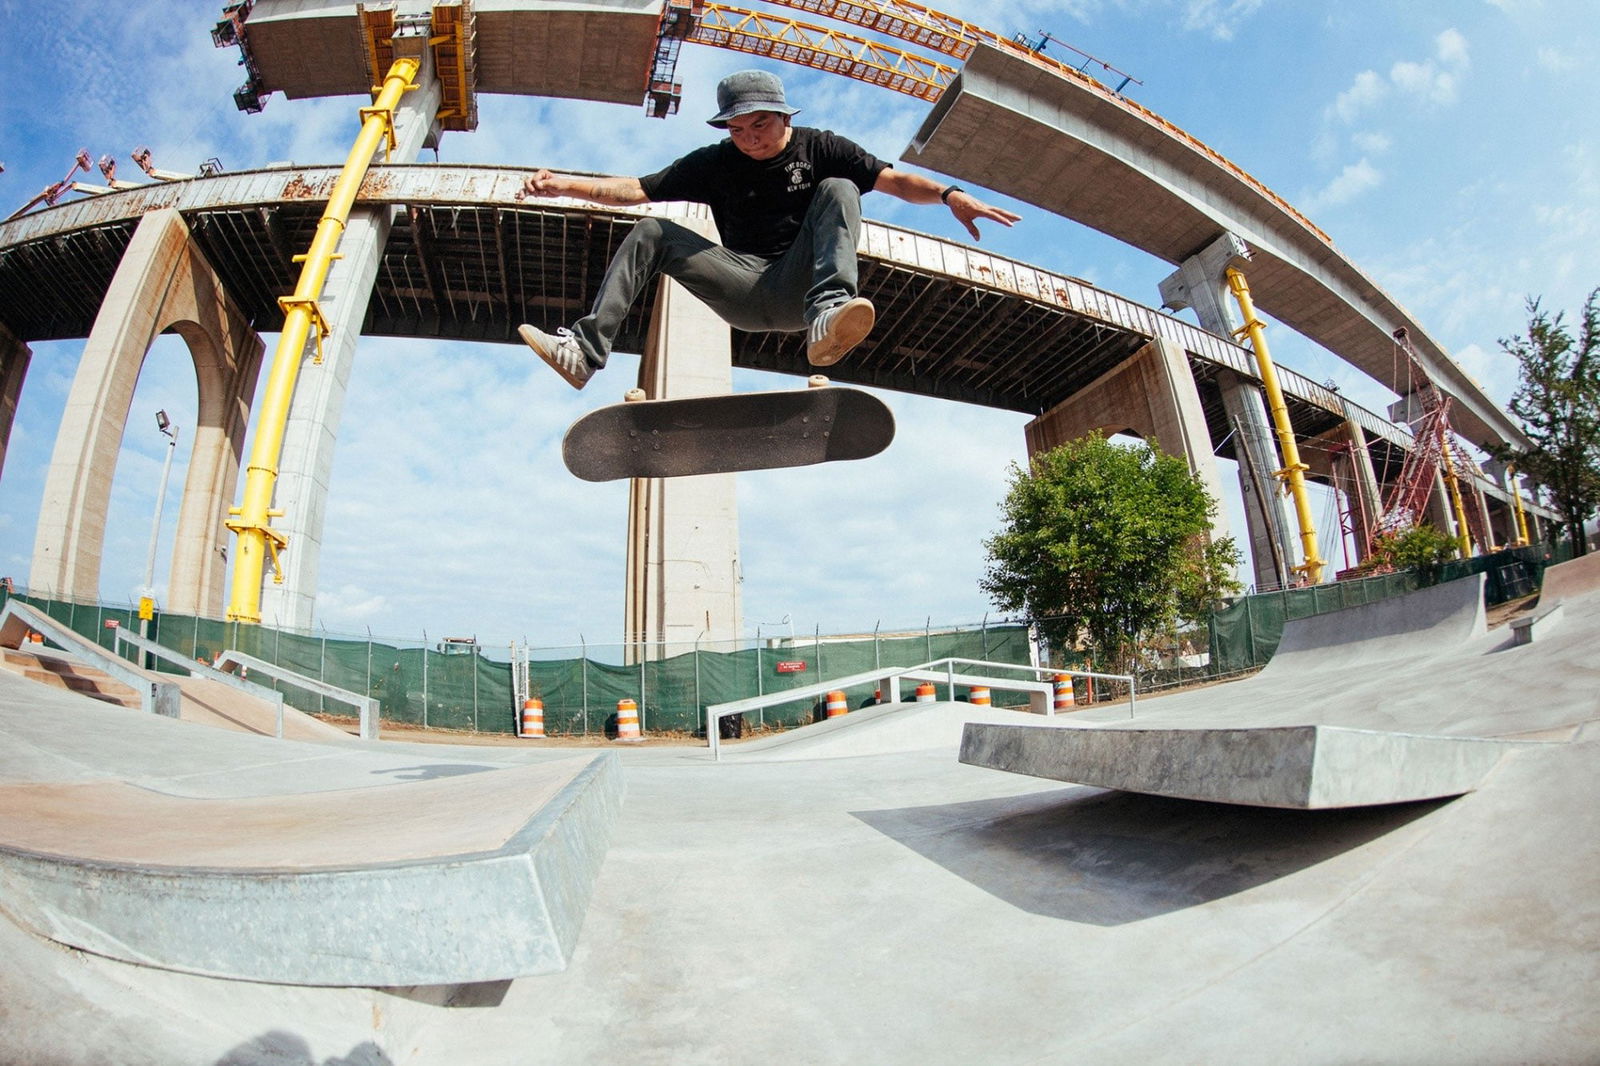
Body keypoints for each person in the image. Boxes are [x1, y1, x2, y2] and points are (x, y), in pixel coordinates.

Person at [517, 69, 1021, 389]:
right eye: (737, 130)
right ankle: (583, 353)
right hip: (742, 290)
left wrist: (950, 196)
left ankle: (829, 317)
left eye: (759, 125)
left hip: (801, 287)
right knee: (652, 230)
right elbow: (637, 188)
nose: (748, 138)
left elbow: (895, 181)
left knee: (840, 188)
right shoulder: (713, 164)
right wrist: (565, 184)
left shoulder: (820, 147)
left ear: (784, 117)